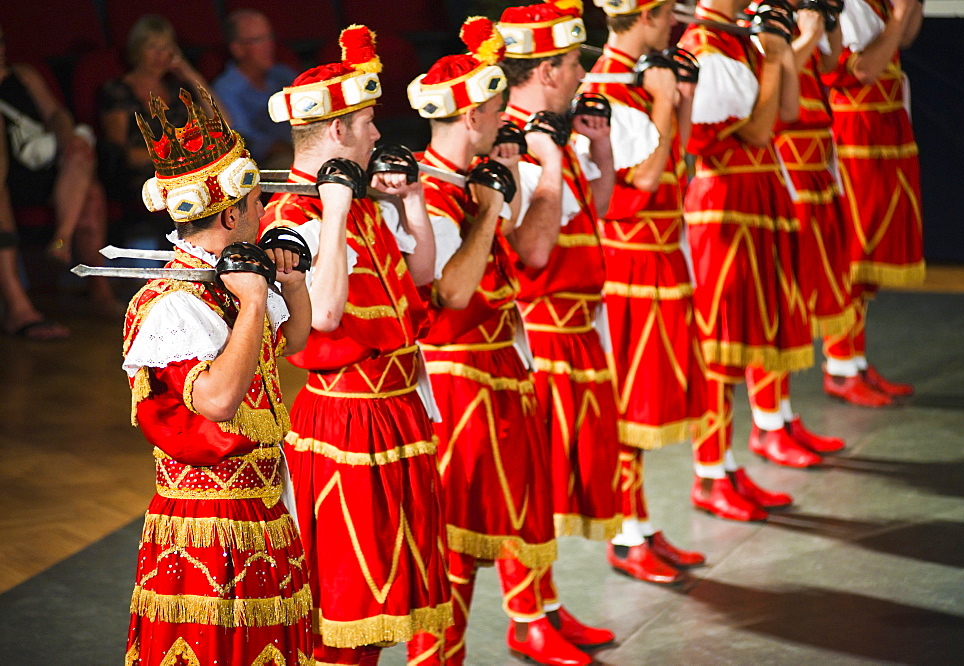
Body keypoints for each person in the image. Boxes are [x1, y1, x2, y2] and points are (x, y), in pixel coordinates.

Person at [408, 15, 607, 665]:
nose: (506, 121)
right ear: (471, 119)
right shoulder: (433, 193)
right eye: (497, 111)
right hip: (457, 381)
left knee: (512, 510)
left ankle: (530, 617)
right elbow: (455, 294)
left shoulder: (474, 173)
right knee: (457, 538)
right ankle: (438, 655)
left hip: (498, 370)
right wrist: (493, 203)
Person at [259, 25, 451, 665]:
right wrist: (336, 212)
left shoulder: (360, 201)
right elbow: (326, 316)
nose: (376, 134)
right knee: (350, 602)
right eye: (366, 123)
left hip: (394, 411)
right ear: (338, 132)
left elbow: (420, 277)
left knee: (392, 589)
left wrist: (414, 205)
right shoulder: (292, 218)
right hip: (346, 419)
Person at [121, 86, 313, 664]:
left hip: (263, 506)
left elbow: (295, 343)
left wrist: (292, 285)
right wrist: (253, 302)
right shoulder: (173, 303)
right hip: (207, 525)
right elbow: (221, 401)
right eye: (257, 203)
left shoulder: (236, 280)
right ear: (232, 212)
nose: (265, 211)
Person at [580, 0, 709, 577]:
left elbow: (678, 161)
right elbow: (647, 177)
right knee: (627, 409)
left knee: (645, 404)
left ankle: (642, 523)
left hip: (659, 259)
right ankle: (627, 535)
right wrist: (661, 98)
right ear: (650, 17)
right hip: (628, 268)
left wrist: (675, 102)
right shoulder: (607, 86)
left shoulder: (637, 80)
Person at [677, 0, 815, 520]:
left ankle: (730, 464)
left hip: (758, 198)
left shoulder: (737, 36)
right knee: (720, 346)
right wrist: (777, 59)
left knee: (755, 331)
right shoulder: (704, 46)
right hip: (724, 208)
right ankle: (710, 474)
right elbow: (756, 132)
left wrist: (780, 52)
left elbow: (788, 113)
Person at [820, 0, 924, 405]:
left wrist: (909, 6)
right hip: (855, 130)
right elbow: (862, 69)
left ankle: (856, 360)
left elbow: (907, 37)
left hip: (886, 125)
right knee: (853, 249)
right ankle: (840, 364)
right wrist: (897, 18)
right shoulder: (839, 4)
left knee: (871, 255)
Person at [761, 0, 852, 452]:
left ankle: (784, 416)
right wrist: (807, 37)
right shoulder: (762, 20)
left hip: (815, 173)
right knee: (779, 308)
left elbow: (833, 66)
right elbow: (769, 86)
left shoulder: (802, 16)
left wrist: (826, 26)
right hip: (785, 177)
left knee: (800, 306)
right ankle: (767, 423)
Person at [0, 21, 117, 337]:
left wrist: (67, 137)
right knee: (86, 189)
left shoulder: (23, 75)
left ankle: (96, 287)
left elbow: (55, 113)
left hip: (47, 163)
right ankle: (63, 247)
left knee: (87, 180)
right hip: (11, 177)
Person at [100, 14, 219, 206]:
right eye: (152, 47)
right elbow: (120, 154)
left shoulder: (176, 90)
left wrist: (190, 74)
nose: (159, 55)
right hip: (146, 178)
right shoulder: (117, 91)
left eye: (165, 48)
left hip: (187, 173)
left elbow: (223, 123)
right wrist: (175, 155)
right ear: (138, 49)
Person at [213, 9, 296, 169]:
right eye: (259, 40)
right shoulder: (225, 89)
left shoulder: (282, 74)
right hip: (262, 165)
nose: (269, 46)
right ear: (238, 49)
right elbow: (245, 140)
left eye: (270, 37)